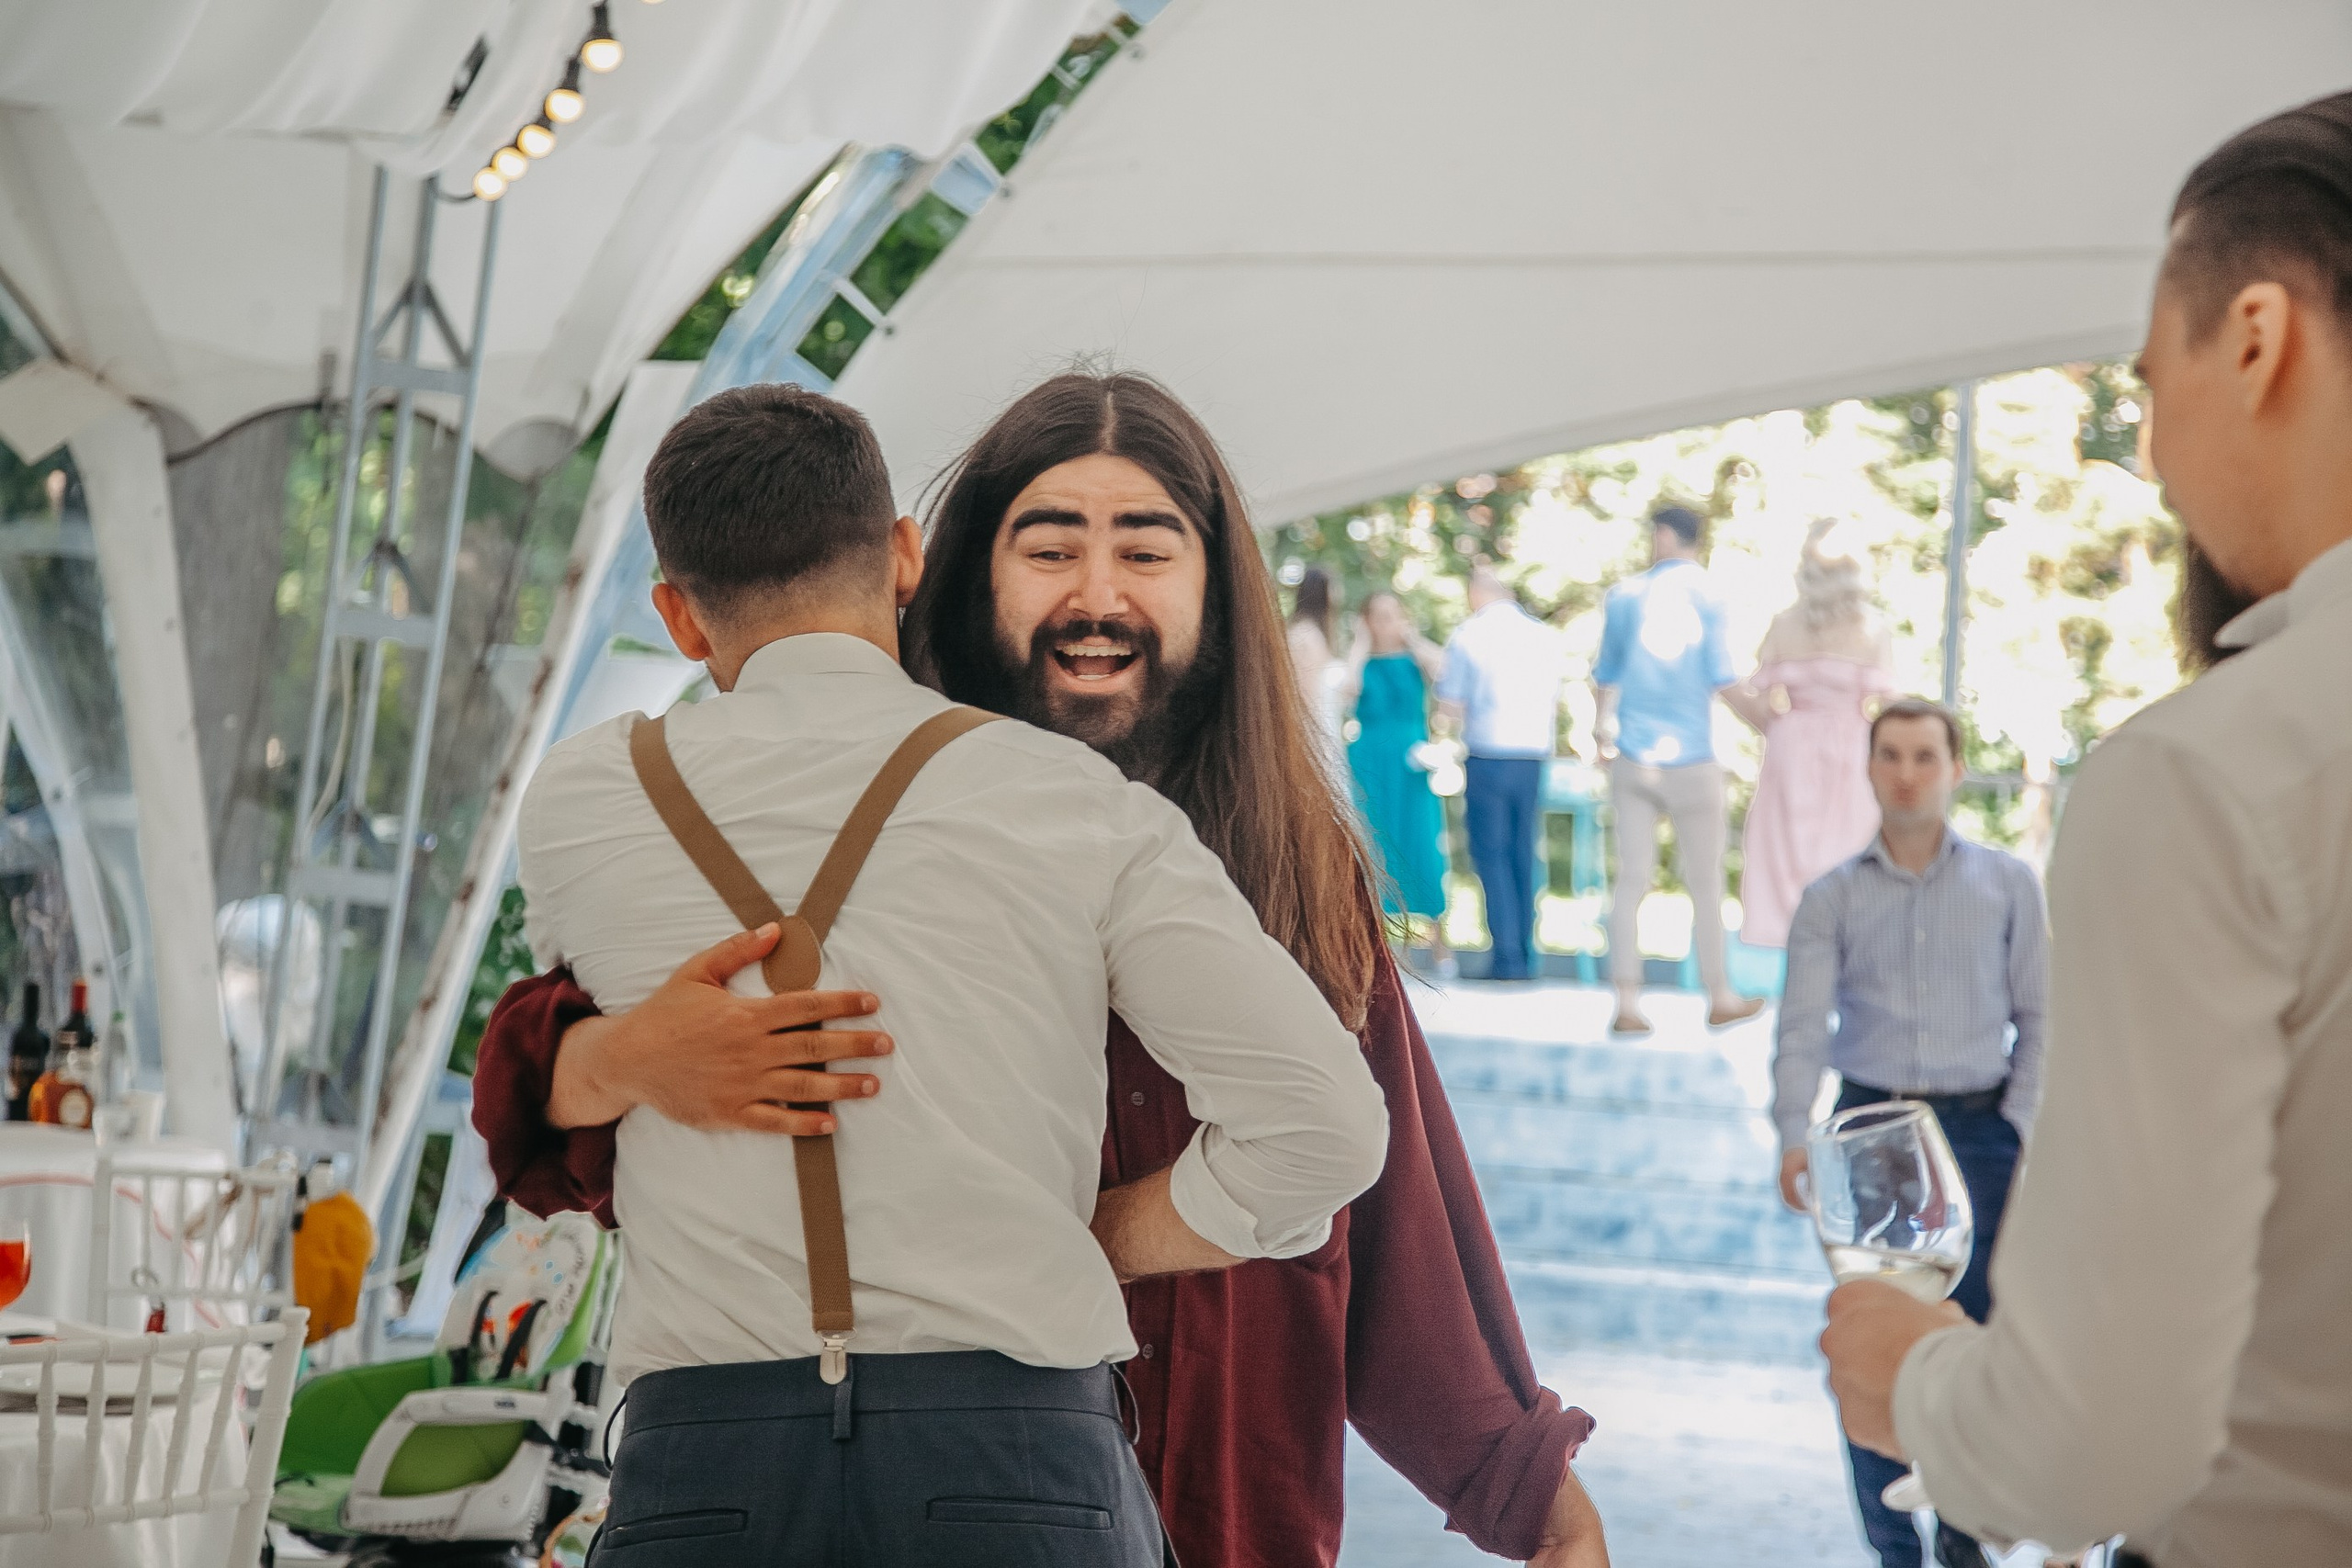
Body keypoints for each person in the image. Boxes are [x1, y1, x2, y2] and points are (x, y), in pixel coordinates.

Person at [473, 371, 1610, 1568]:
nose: (1100, 593)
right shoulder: (854, 811)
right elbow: (609, 1079)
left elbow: (1391, 1221)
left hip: (1212, 1507)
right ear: (951, 570)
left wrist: (1523, 1485)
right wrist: (608, 1055)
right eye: (1051, 548)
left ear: (1216, 588)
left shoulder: (1288, 866)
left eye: (1149, 549)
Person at [1819, 92, 2352, 1564]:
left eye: (2145, 378)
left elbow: (2094, 1439)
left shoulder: (2214, 771)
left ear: (2255, 336)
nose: (2152, 443)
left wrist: (1910, 1375)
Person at [1772, 696, 2047, 1568]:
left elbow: (2043, 1015)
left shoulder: (2009, 884)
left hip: (1981, 1127)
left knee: (1976, 1342)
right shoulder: (1832, 896)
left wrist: (2022, 1128)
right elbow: (1801, 1027)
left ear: (1956, 768)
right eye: (1890, 754)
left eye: (1925, 755)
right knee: (1868, 1345)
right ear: (1869, 766)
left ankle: (1965, 1542)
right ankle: (1895, 1551)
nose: (1906, 771)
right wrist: (1792, 1133)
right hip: (1868, 1140)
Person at [1591, 506, 1761, 1032]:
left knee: (1631, 881)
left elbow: (1605, 673)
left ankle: (1626, 1002)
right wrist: (1770, 723)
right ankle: (1720, 994)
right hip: (1693, 758)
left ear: (1664, 535)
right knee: (1706, 883)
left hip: (1636, 758)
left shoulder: (1624, 596)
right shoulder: (1711, 595)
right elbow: (1723, 677)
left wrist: (1602, 730)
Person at [1723, 518, 1894, 948]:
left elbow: (1760, 706)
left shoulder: (1784, 625)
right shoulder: (1874, 630)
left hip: (1790, 749)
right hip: (1852, 750)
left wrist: (1759, 712)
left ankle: (1793, 958)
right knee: (1845, 854)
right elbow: (1890, 711)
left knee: (1784, 857)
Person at [1435, 563, 1566, 982]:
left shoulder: (1470, 634)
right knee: (1523, 851)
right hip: (1531, 755)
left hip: (1489, 753)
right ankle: (1527, 954)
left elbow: (1451, 704)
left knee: (1491, 854)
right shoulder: (1543, 636)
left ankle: (1505, 955)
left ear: (1477, 593)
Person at [1343, 591, 1452, 973]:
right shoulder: (1362, 662)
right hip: (1370, 761)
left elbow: (1444, 671)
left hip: (1410, 761)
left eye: (1393, 615)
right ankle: (1376, 945)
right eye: (1378, 616)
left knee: (1421, 841)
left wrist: (1412, 638)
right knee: (1374, 844)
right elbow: (1348, 691)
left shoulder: (1413, 659)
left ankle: (1440, 945)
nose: (1386, 623)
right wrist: (1359, 644)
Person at [1287, 565, 1345, 755]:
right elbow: (1304, 697)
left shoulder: (1317, 634)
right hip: (1313, 736)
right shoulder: (1305, 635)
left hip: (1326, 728)